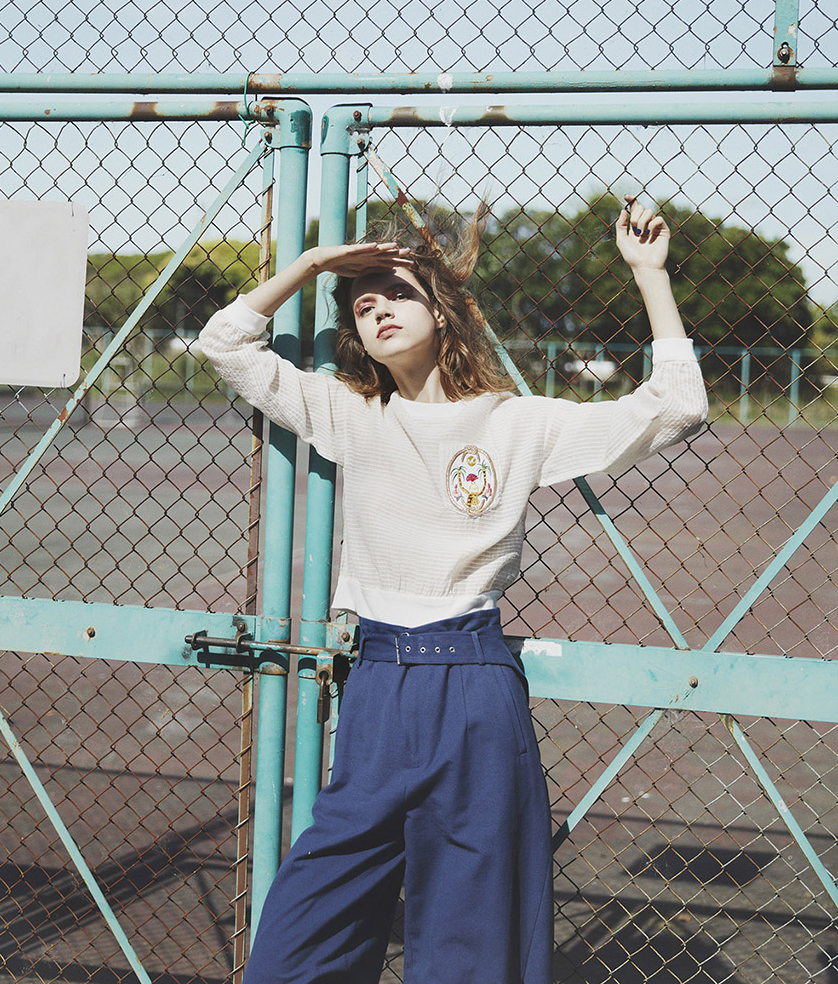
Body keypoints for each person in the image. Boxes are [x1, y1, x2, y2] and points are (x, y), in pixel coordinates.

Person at [198, 198, 707, 984]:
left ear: (441, 311)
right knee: (301, 934)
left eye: (396, 294)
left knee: (472, 942)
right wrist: (312, 264)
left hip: (474, 687)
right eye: (361, 305)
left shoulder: (517, 422)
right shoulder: (349, 412)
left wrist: (650, 274)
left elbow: (679, 407)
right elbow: (225, 344)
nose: (376, 309)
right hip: (376, 684)